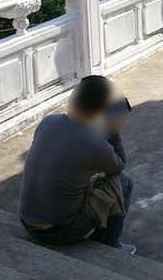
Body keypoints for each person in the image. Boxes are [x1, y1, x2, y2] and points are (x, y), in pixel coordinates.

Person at [18, 75, 136, 253]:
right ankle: (109, 247)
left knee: (86, 174)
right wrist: (112, 128)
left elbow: (71, 150)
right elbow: (118, 165)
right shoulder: (94, 144)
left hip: (26, 220)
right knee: (124, 183)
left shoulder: (49, 121)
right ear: (103, 111)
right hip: (59, 232)